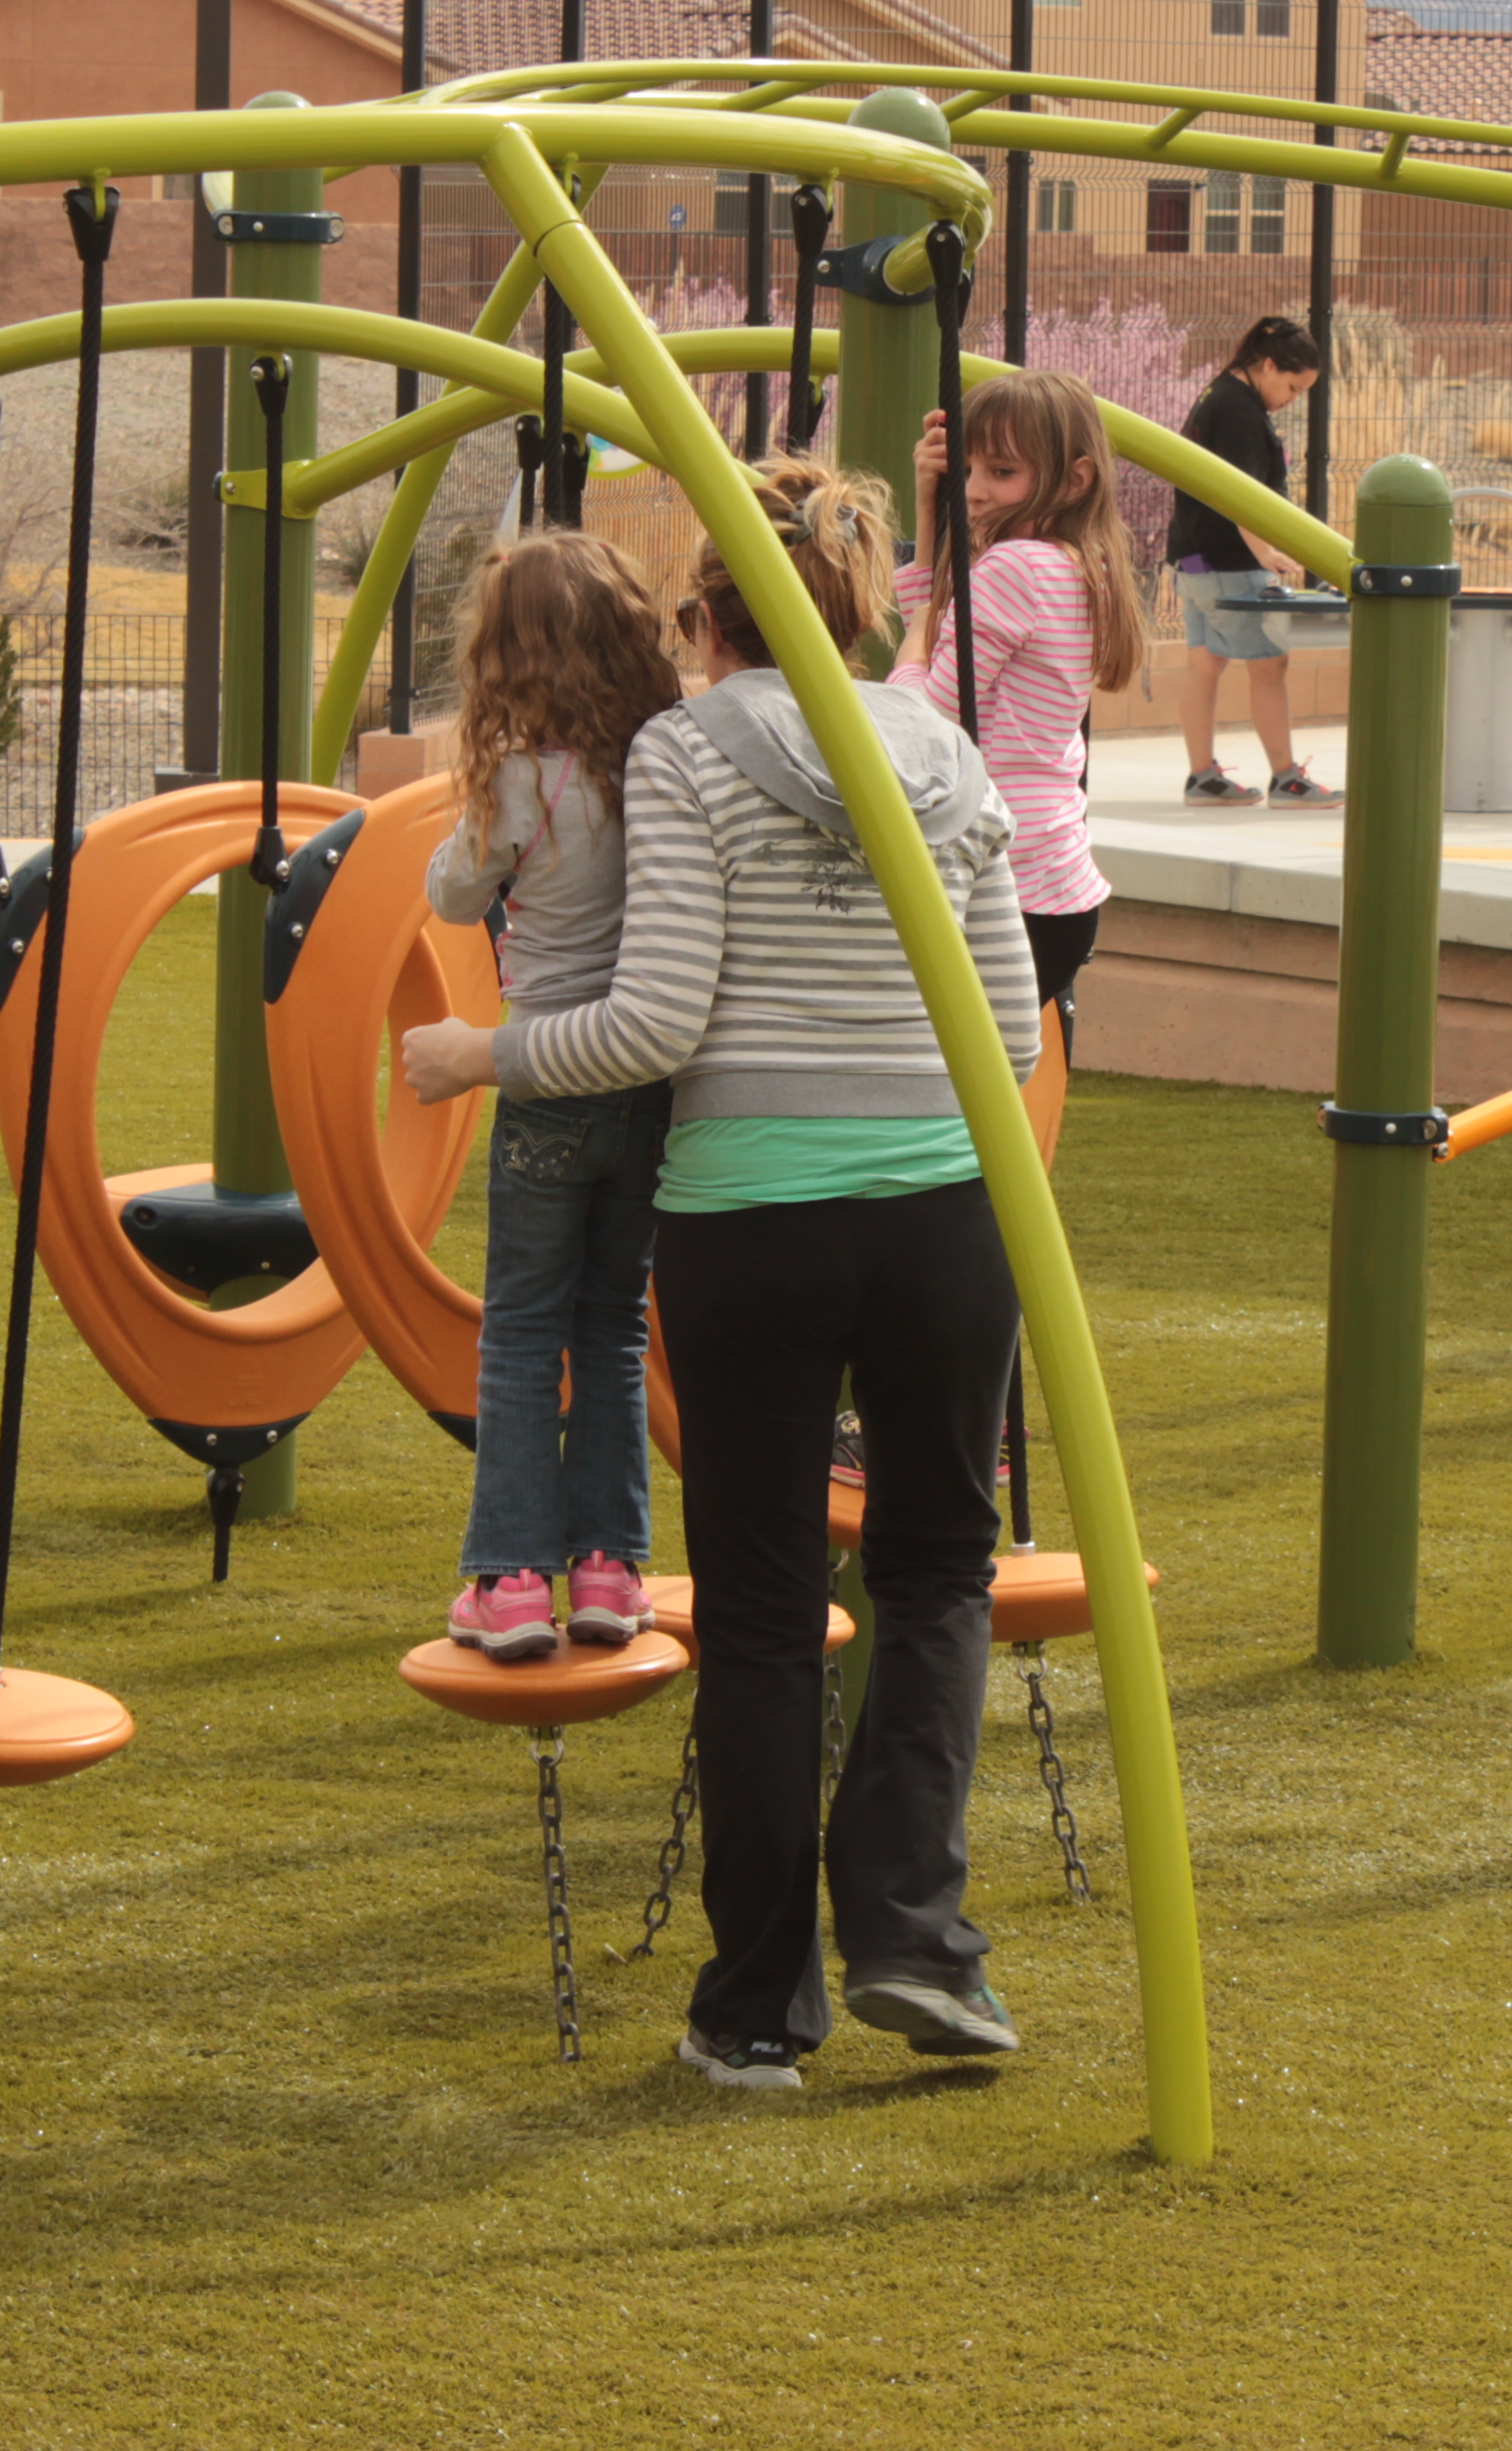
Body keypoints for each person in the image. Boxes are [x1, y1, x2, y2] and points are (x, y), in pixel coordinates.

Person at [399, 463, 1038, 2088]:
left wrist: (484, 1049)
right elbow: (1012, 1032)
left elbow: (655, 1022)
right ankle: (914, 1934)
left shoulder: (685, 753)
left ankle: (757, 2005)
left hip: (753, 1220)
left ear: (708, 619)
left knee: (761, 1617)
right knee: (936, 1575)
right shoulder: (946, 755)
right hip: (945, 1218)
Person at [422, 531, 684, 1661]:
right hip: (645, 1088)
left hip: (541, 1086)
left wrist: (484, 789)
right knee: (615, 1327)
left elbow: (447, 894)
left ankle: (512, 1575)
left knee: (523, 1332)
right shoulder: (659, 776)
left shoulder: (525, 785)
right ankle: (609, 1569)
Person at [903, 370, 1144, 1042]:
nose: (976, 489)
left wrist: (903, 660)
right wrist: (929, 519)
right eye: (969, 467)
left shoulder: (1012, 570)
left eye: (1002, 471)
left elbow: (925, 723)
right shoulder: (1074, 564)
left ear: (1075, 480)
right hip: (1055, 884)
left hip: (1005, 890)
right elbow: (934, 632)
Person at [1167, 314, 1335, 809]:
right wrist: (1267, 552)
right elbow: (1240, 494)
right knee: (1269, 666)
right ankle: (1286, 778)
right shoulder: (1240, 411)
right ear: (1266, 365)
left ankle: (1202, 776)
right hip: (1229, 562)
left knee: (1204, 664)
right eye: (1292, 386)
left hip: (1192, 560)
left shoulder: (1216, 393)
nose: (1292, 398)